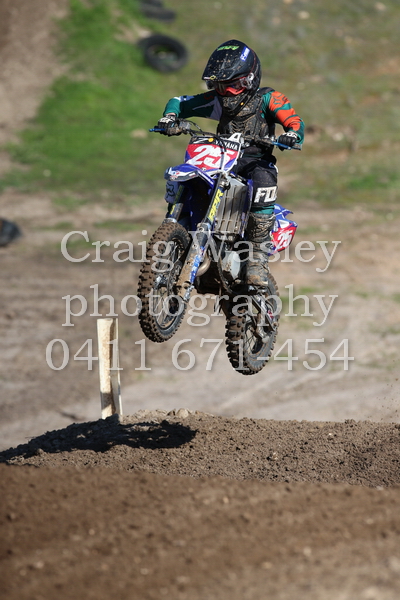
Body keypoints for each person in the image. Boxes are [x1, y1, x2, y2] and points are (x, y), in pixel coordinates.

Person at [157, 39, 304, 287]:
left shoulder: (268, 98)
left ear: (250, 79)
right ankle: (178, 233)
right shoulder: (216, 100)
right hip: (223, 158)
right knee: (193, 173)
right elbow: (179, 102)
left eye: (233, 85)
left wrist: (291, 135)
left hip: (254, 161)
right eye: (219, 85)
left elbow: (294, 122)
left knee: (263, 179)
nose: (226, 92)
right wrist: (170, 118)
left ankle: (257, 259)